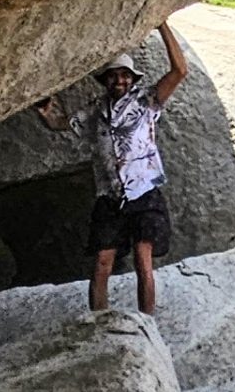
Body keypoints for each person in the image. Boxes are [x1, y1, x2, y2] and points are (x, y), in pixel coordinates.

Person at [34, 18, 188, 315]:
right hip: (110, 196)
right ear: (105, 80)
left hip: (143, 193)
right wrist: (43, 109)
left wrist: (163, 26)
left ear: (133, 78)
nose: (120, 81)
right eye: (114, 76)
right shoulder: (96, 110)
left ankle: (147, 322)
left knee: (143, 261)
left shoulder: (147, 102)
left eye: (125, 75)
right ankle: (99, 324)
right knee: (102, 261)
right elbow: (61, 124)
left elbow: (180, 71)